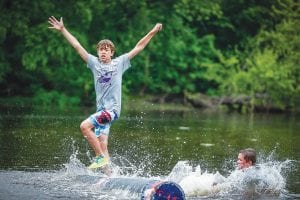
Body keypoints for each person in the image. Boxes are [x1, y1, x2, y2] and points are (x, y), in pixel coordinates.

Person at [48, 16, 162, 169]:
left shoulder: (119, 63)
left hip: (112, 111)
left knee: (84, 126)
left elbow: (139, 47)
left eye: (106, 50)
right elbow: (77, 46)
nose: (102, 52)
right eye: (100, 50)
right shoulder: (94, 64)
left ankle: (100, 158)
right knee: (102, 143)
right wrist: (63, 30)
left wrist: (153, 31)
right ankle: (109, 177)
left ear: (112, 53)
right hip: (101, 111)